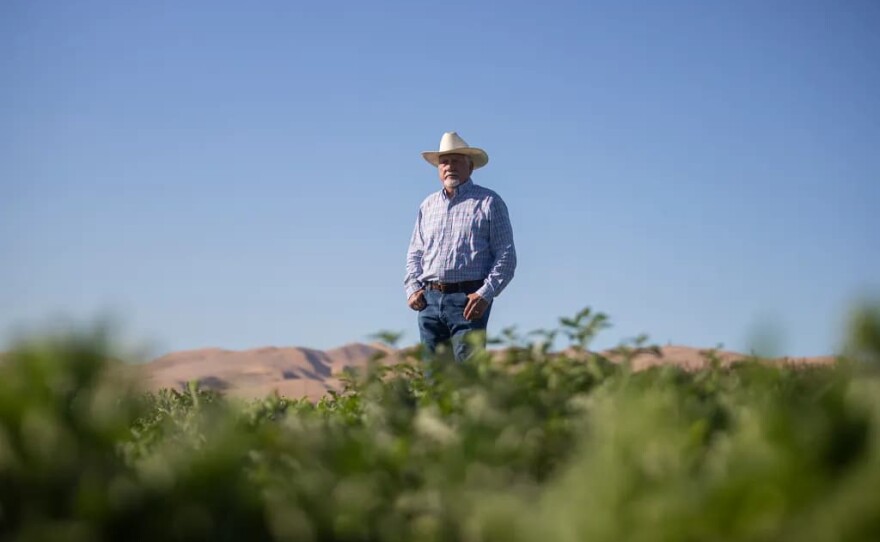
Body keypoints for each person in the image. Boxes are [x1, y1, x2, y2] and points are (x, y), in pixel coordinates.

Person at [404, 132, 517, 361]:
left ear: (471, 166)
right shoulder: (428, 205)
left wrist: (484, 295)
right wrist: (413, 287)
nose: (449, 167)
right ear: (438, 168)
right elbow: (415, 253)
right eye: (444, 161)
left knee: (467, 380)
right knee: (434, 381)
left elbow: (506, 256)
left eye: (456, 161)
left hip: (468, 301)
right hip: (430, 302)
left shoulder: (488, 202)